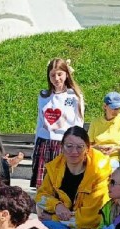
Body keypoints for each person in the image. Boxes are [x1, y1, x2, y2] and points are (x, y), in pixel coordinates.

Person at [35, 126, 111, 229]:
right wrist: (57, 206)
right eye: (69, 146)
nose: (74, 151)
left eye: (80, 147)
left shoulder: (99, 173)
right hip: (62, 224)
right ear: (61, 147)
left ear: (88, 148)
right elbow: (41, 196)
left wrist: (53, 218)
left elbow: (92, 218)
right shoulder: (55, 168)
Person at [32, 57, 85, 188]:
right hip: (44, 143)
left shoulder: (74, 97)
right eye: (53, 75)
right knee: (43, 186)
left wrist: (76, 147)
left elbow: (78, 123)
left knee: (61, 183)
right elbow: (40, 121)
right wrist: (35, 144)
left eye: (59, 74)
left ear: (66, 74)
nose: (56, 78)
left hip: (63, 143)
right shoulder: (43, 96)